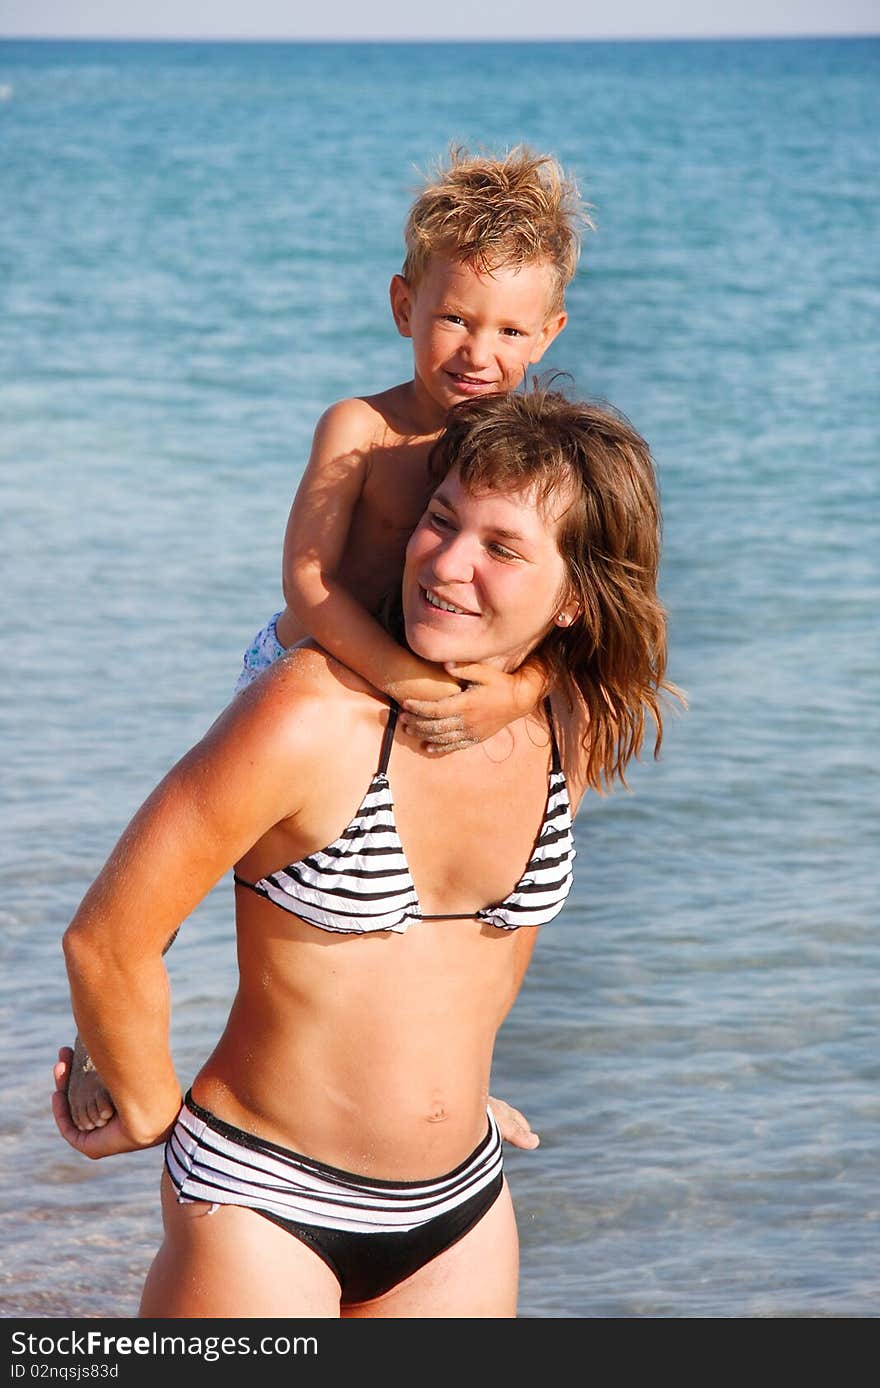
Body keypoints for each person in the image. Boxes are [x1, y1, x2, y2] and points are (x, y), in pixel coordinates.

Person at [52, 384, 677, 1318]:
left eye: (502, 548)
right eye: (440, 519)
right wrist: (145, 1103)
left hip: (458, 1207)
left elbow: (495, 955)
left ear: (579, 598)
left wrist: (448, 1082)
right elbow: (109, 940)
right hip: (264, 1204)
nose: (447, 562)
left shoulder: (565, 724)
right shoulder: (311, 714)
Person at [64, 143, 591, 1136]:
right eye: (452, 318)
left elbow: (567, 601)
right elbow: (307, 581)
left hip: (430, 693)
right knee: (183, 863)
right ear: (403, 306)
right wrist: (398, 676)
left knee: (479, 894)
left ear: (550, 331)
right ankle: (107, 1039)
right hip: (314, 665)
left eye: (509, 328)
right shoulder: (360, 426)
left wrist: (508, 696)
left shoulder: (519, 451)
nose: (477, 350)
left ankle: (441, 1073)